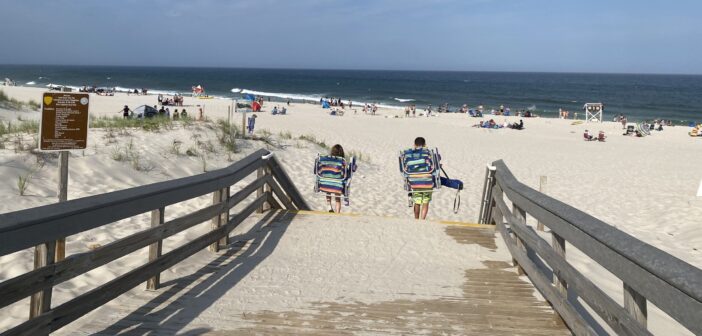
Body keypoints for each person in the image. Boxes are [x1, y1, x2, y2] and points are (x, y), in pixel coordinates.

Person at [411, 137, 433, 220]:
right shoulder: (428, 153)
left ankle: (416, 219)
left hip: (415, 181)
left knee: (417, 202)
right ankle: (422, 219)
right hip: (427, 181)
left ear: (415, 144)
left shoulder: (410, 154)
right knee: (425, 202)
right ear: (424, 144)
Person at [327, 144, 346, 213]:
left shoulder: (327, 160)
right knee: (338, 199)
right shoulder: (342, 162)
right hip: (337, 184)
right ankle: (337, 212)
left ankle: (329, 205)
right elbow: (344, 174)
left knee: (328, 193)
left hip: (326, 183)